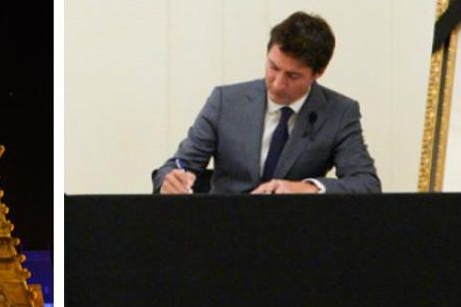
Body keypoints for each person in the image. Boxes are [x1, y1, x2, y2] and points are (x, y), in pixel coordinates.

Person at [152, 11, 380, 194]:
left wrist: (308, 187)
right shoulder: (225, 102)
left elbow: (366, 183)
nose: (278, 83)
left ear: (318, 73)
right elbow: (177, 166)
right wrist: (170, 181)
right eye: (273, 67)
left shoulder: (339, 112)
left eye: (293, 76)